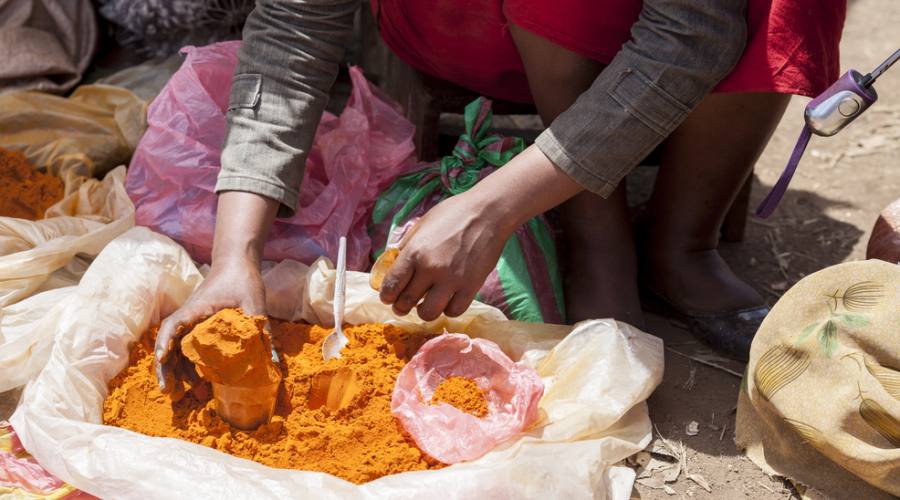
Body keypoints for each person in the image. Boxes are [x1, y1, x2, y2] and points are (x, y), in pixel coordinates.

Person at [155, 0, 846, 388]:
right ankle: (595, 231)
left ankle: (679, 243)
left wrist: (494, 206)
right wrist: (233, 256)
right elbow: (292, 31)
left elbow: (698, 26)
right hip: (471, 22)